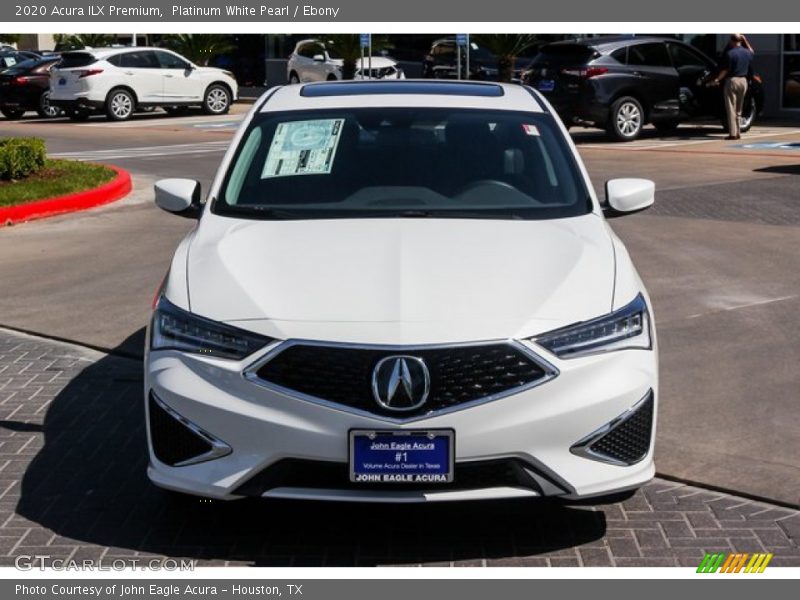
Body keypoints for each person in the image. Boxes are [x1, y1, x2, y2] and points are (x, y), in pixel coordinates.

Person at [707, 34, 755, 140]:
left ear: (732, 41)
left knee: (731, 108)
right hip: (743, 81)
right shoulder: (747, 52)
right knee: (739, 109)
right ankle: (738, 132)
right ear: (741, 41)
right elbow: (752, 51)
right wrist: (745, 40)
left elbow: (725, 70)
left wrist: (717, 79)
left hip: (732, 81)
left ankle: (733, 134)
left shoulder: (730, 53)